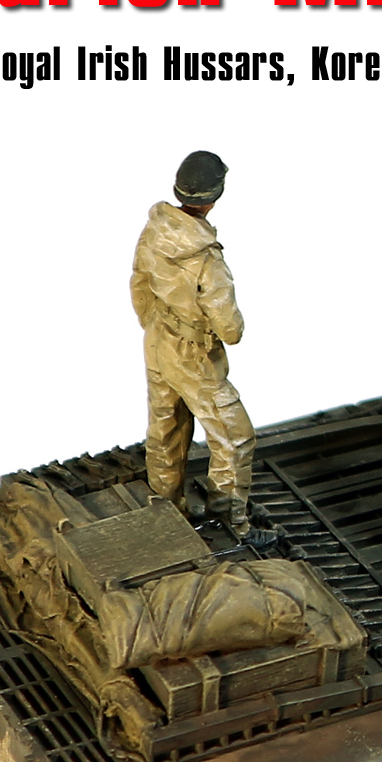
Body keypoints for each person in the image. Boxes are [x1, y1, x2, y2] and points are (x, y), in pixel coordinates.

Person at [130, 150, 256, 538]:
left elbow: (139, 285)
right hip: (194, 353)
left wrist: (159, 326)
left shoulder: (154, 230)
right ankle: (227, 523)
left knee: (165, 428)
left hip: (158, 341)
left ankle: (166, 509)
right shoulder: (206, 259)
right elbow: (230, 328)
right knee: (235, 438)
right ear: (214, 197)